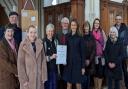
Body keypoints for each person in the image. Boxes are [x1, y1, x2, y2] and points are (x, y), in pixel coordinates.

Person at [62, 19, 85, 89]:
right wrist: (63, 60)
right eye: (72, 25)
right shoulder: (67, 36)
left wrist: (83, 67)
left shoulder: (80, 37)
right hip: (69, 64)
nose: (73, 26)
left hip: (78, 64)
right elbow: (65, 50)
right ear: (70, 26)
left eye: (74, 25)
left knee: (78, 84)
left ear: (77, 26)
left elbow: (83, 53)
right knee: (69, 84)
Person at [0, 24, 19, 89]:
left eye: (12, 31)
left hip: (15, 79)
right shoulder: (1, 45)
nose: (10, 33)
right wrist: (18, 71)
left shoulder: (15, 43)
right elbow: (5, 63)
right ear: (5, 32)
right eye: (8, 31)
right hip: (6, 79)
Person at [114, 15, 128, 89]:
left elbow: (126, 40)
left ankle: (126, 85)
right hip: (116, 53)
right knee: (116, 70)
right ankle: (117, 86)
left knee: (124, 70)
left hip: (123, 53)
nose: (118, 21)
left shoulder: (125, 28)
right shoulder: (113, 28)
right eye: (117, 19)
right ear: (115, 20)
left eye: (119, 19)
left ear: (121, 20)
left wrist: (122, 43)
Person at [92, 18, 107, 89]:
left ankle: (99, 87)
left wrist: (103, 49)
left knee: (100, 73)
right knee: (95, 73)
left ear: (99, 24)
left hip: (101, 56)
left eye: (98, 23)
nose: (96, 24)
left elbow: (105, 42)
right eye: (95, 23)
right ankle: (96, 87)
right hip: (94, 56)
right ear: (93, 24)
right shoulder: (91, 32)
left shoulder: (102, 32)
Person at [56, 17, 70, 89]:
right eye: (63, 23)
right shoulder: (57, 34)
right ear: (61, 24)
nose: (65, 24)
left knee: (67, 78)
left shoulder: (71, 34)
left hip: (68, 59)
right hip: (59, 59)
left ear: (68, 24)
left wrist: (66, 59)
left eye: (66, 23)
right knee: (60, 77)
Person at [43, 23, 58, 89]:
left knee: (54, 86)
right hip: (46, 69)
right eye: (49, 31)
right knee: (48, 86)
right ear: (46, 32)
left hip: (55, 69)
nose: (50, 33)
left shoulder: (56, 41)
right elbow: (42, 58)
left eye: (52, 31)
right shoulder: (43, 42)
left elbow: (59, 53)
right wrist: (51, 57)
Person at [82, 21, 96, 89]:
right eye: (85, 26)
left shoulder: (92, 36)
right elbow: (80, 50)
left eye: (87, 26)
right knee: (83, 78)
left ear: (89, 27)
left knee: (89, 79)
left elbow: (94, 49)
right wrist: (84, 60)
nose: (86, 28)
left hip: (90, 61)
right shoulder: (81, 37)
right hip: (83, 61)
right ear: (83, 28)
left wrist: (89, 60)